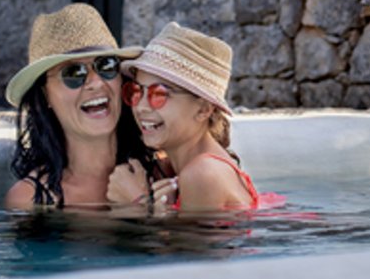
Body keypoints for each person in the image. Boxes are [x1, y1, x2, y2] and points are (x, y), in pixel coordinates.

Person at [4, 3, 161, 209]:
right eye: (73, 73)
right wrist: (139, 206)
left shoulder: (162, 172)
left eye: (106, 66)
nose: (96, 83)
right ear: (45, 95)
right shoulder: (30, 199)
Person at [108, 22, 261, 213]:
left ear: (204, 109)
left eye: (159, 94)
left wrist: (138, 202)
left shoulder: (202, 174)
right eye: (136, 91)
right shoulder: (177, 167)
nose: (140, 107)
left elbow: (186, 235)